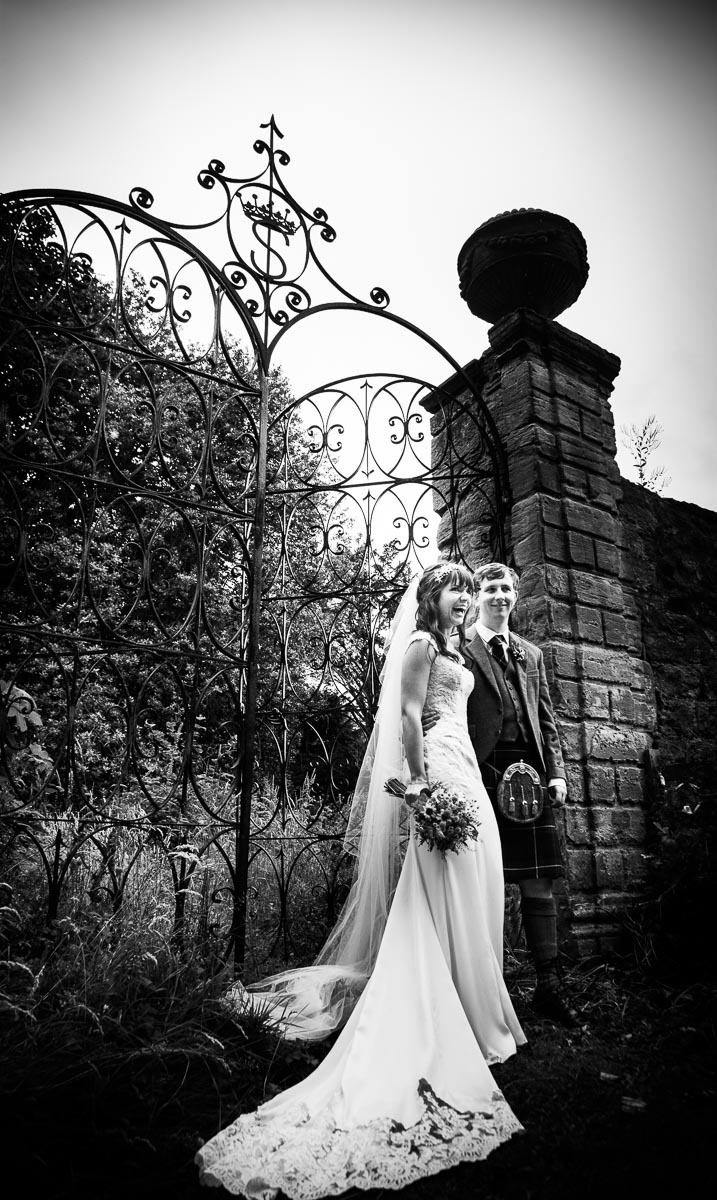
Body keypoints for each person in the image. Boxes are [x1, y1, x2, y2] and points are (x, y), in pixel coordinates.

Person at [195, 562, 526, 1198]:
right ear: (433, 596)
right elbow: (406, 716)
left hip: (466, 774)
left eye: (467, 593)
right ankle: (449, 1012)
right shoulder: (422, 645)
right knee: (441, 895)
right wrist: (422, 789)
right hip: (441, 778)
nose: (464, 601)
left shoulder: (452, 647)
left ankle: (470, 1002)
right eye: (456, 591)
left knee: (478, 884)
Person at [457, 562, 577, 1026]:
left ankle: (549, 985)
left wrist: (558, 773)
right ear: (477, 596)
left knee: (538, 880)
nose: (500, 596)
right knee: (483, 879)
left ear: (516, 596)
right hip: (481, 769)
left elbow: (547, 719)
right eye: (490, 588)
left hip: (530, 771)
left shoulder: (532, 653)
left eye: (507, 588)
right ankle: (488, 989)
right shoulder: (459, 648)